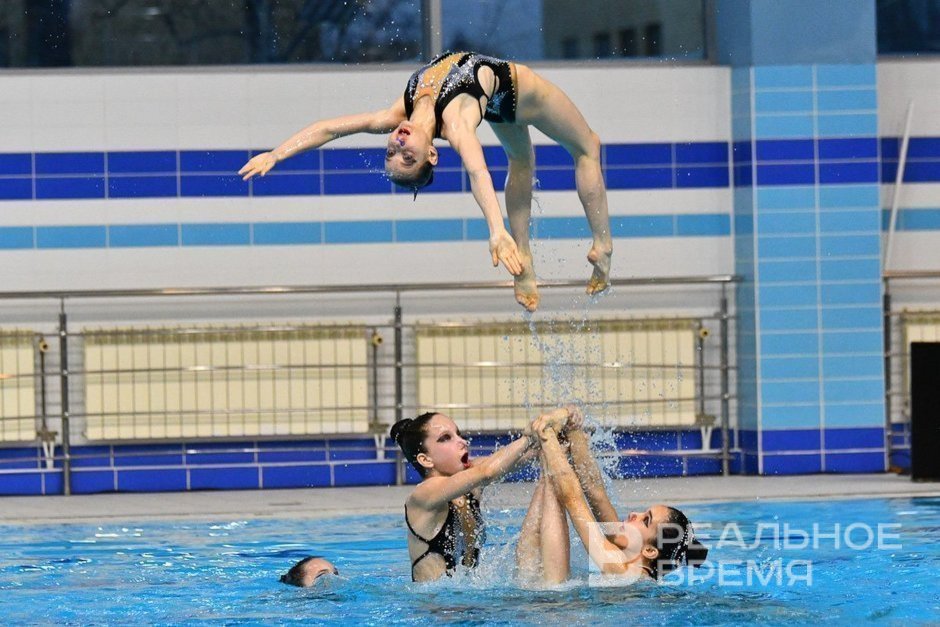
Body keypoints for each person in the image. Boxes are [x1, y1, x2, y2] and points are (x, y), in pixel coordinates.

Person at [239, 51, 613, 312]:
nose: (398, 146)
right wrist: (496, 230)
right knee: (588, 147)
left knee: (521, 160)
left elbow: (329, 129)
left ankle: (525, 261)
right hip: (521, 92)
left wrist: (277, 154)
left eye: (391, 152)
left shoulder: (396, 112)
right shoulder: (456, 123)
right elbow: (478, 172)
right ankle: (603, 245)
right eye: (408, 157)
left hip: (498, 103)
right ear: (432, 154)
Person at [523, 409, 709, 583]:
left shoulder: (626, 571)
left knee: (554, 584)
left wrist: (547, 435)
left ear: (649, 551)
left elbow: (573, 499)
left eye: (645, 520)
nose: (634, 514)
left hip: (555, 605)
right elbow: (596, 492)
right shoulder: (631, 551)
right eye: (644, 513)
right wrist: (573, 427)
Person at [389, 408, 571, 582]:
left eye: (458, 434)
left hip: (468, 598)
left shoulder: (471, 478)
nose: (462, 441)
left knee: (547, 476)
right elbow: (488, 471)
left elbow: (521, 458)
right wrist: (529, 436)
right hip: (435, 603)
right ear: (425, 459)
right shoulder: (423, 495)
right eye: (446, 438)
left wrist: (556, 436)